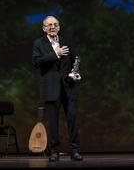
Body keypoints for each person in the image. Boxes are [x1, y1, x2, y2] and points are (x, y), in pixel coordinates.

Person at [32, 15, 82, 162]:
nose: (52, 27)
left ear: (59, 27)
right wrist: (55, 54)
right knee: (53, 122)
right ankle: (54, 151)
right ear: (44, 28)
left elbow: (76, 60)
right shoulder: (38, 43)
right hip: (51, 88)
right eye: (49, 25)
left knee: (72, 119)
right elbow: (36, 62)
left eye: (55, 24)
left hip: (69, 86)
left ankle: (75, 151)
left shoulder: (67, 41)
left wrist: (76, 74)